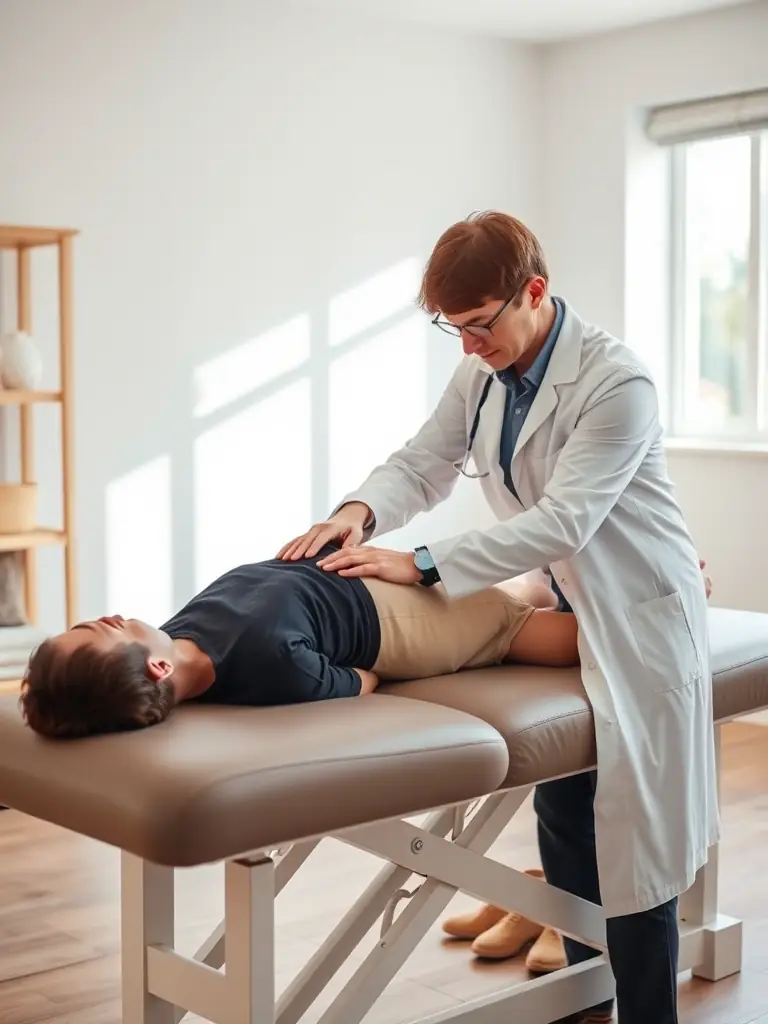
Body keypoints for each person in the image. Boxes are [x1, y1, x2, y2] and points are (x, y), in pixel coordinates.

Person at [278, 211, 719, 1024]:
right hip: (566, 603)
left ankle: (646, 1012)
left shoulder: (617, 382)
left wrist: (421, 565)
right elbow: (425, 459)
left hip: (640, 617)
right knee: (565, 807)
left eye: (480, 326)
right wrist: (359, 514)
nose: (468, 347)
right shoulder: (482, 372)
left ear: (535, 293)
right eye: (454, 329)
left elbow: (564, 521)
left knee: (638, 849)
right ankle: (584, 992)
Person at [19, 544, 579, 739]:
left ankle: (543, 586)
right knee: (530, 628)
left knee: (521, 591)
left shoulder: (177, 633)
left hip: (373, 573)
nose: (110, 615)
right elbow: (362, 681)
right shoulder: (269, 669)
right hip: (399, 623)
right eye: (105, 629)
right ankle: (658, 621)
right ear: (158, 671)